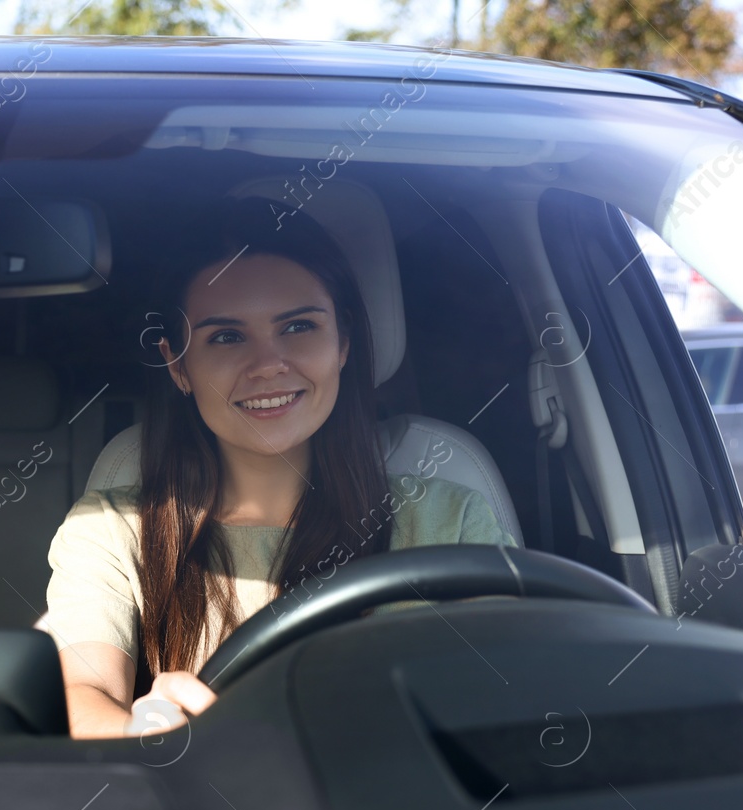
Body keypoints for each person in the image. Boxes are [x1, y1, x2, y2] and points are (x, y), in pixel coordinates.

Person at [39, 197, 516, 739]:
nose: (268, 365)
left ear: (343, 345)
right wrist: (136, 731)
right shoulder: (111, 529)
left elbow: (513, 690)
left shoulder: (448, 521)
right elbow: (84, 697)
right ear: (178, 366)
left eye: (297, 328)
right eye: (226, 337)